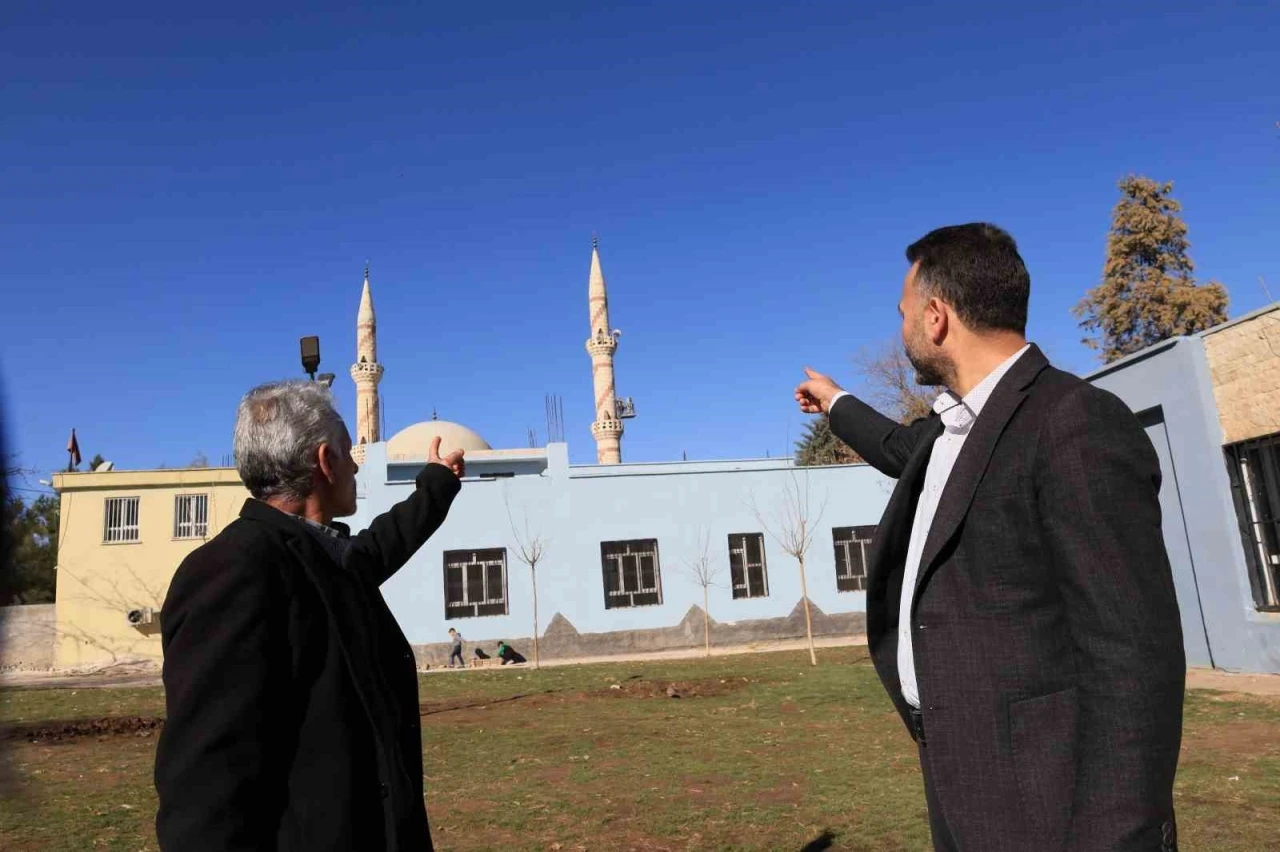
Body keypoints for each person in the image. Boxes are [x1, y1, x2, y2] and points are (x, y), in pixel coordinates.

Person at [795, 223, 1186, 852]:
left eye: (903, 313)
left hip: (1044, 799)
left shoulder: (1074, 423)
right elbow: (895, 448)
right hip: (959, 773)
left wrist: (1119, 837)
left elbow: (1134, 659)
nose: (902, 329)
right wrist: (834, 399)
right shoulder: (949, 432)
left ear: (936, 316)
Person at [154, 380, 465, 852]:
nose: (356, 465)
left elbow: (382, 545)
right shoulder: (234, 570)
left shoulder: (319, 556)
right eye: (348, 453)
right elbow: (204, 789)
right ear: (325, 461)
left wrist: (437, 484)